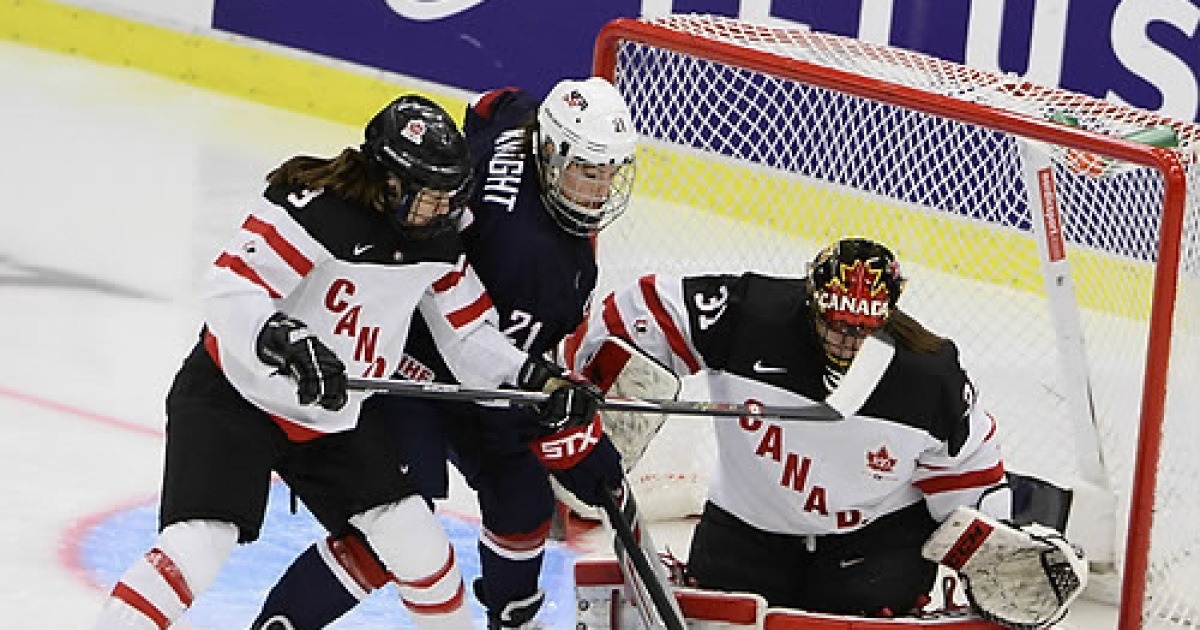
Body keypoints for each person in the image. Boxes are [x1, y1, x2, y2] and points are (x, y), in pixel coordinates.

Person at [89, 94, 606, 630]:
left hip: (331, 418)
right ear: (389, 182)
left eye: (452, 196)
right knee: (198, 545)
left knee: (425, 554)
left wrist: (535, 378)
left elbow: (469, 335)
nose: (445, 211)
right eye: (430, 197)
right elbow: (230, 287)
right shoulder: (320, 208)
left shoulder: (438, 241)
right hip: (235, 400)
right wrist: (286, 339)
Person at [247, 77, 637, 630]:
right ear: (549, 154)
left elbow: (488, 106)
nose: (598, 191)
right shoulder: (537, 260)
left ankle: (513, 618)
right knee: (395, 528)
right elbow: (508, 380)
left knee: (524, 503)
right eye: (586, 170)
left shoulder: (518, 121)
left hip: (474, 355)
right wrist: (575, 442)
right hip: (409, 366)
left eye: (608, 173)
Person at [563, 237, 1013, 618]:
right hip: (746, 536)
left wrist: (997, 555)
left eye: (861, 328)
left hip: (872, 552)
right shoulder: (750, 316)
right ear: (811, 299)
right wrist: (590, 378)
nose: (846, 341)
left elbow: (971, 482)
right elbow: (640, 309)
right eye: (834, 322)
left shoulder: (928, 376)